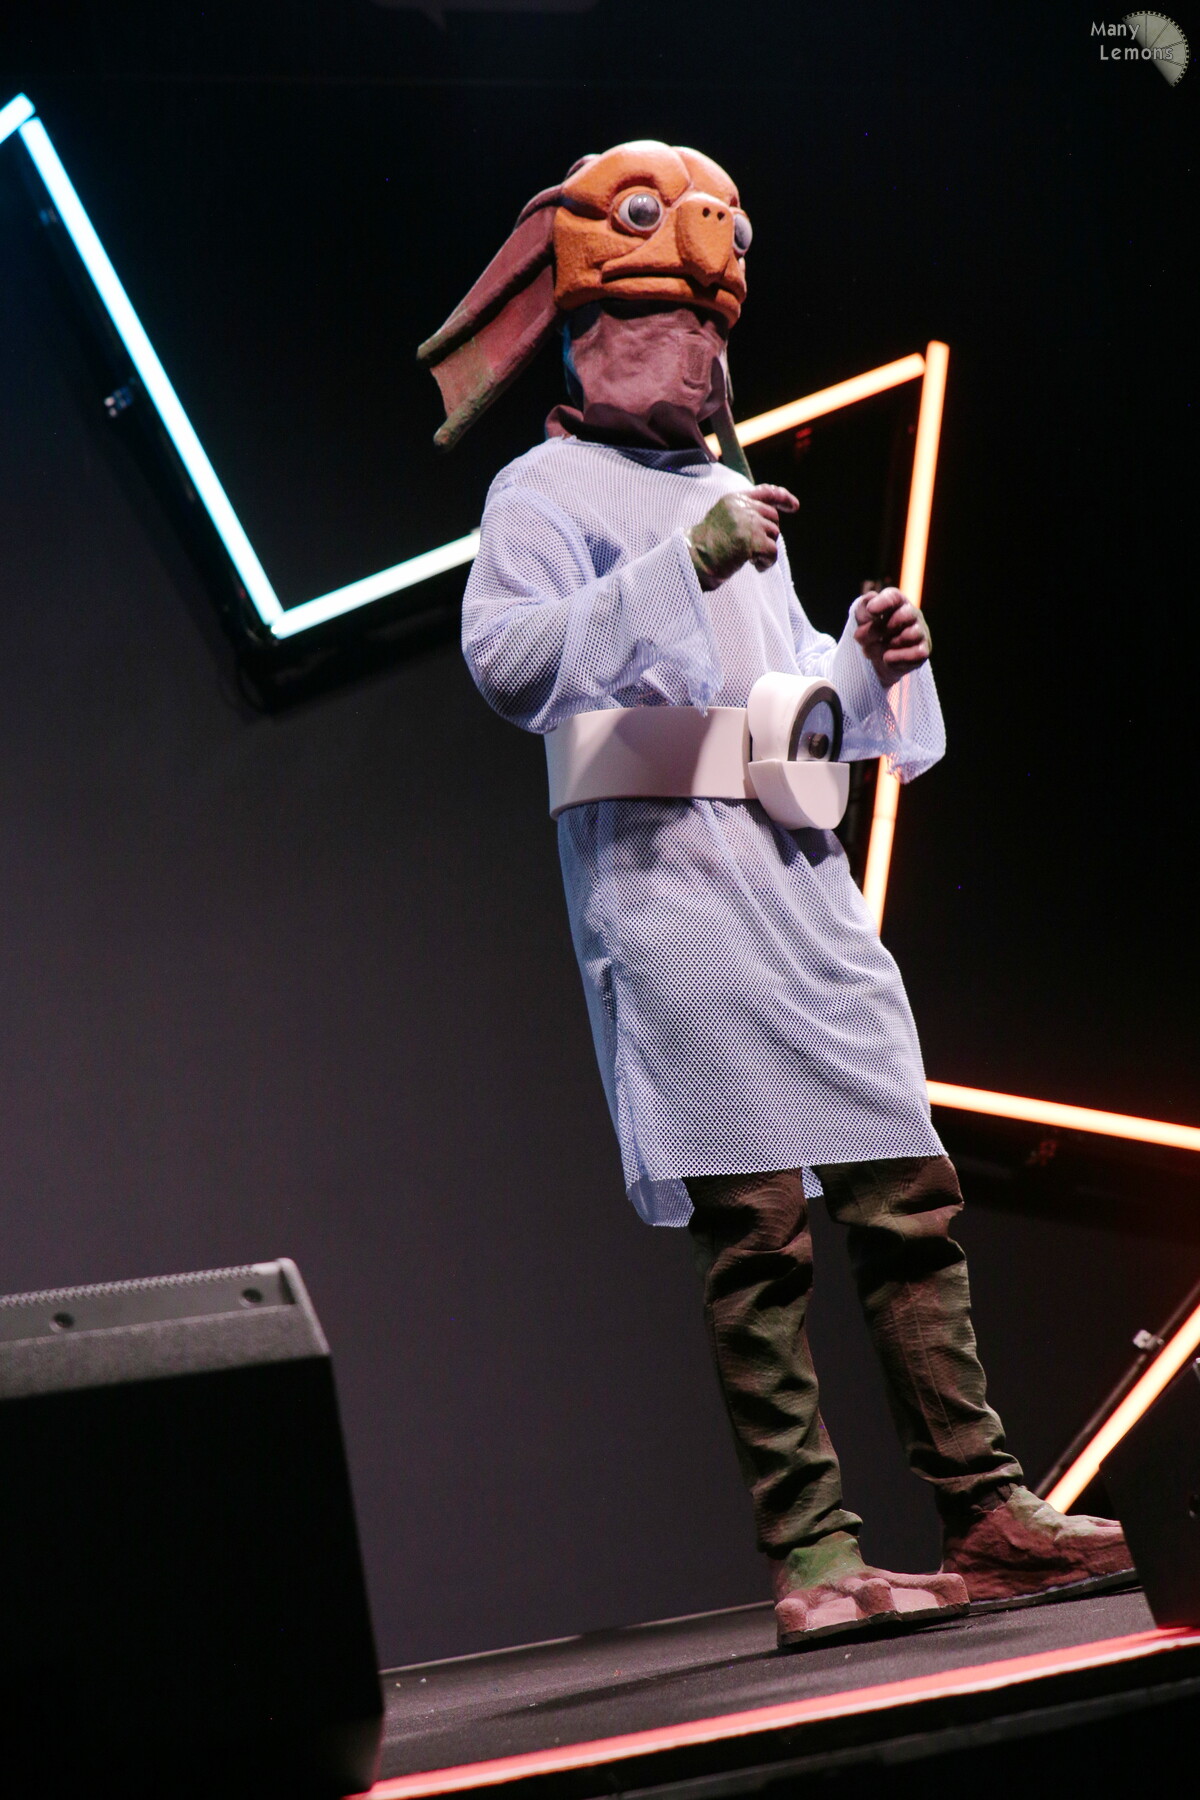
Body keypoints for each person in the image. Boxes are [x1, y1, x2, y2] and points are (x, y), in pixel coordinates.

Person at [419, 140, 1134, 1645]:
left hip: (795, 887)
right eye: (670, 322)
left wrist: (860, 669)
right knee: (755, 1229)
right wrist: (681, 560)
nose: (702, 354)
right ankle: (815, 1553)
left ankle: (985, 1511)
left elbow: (780, 709)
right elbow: (511, 666)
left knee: (906, 1188)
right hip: (672, 896)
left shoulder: (726, 492)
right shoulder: (543, 492)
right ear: (591, 332)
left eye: (711, 326)